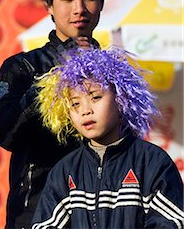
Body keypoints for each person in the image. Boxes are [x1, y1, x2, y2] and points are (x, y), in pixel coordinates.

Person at [0, 0, 107, 228]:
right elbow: (5, 134)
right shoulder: (22, 67)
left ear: (101, 1)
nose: (79, 9)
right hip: (36, 212)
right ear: (49, 5)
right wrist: (54, 80)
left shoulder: (113, 70)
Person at [31, 48, 184, 228]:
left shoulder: (152, 162)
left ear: (121, 100)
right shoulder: (65, 171)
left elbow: (171, 221)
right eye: (75, 104)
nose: (85, 110)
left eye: (95, 97)